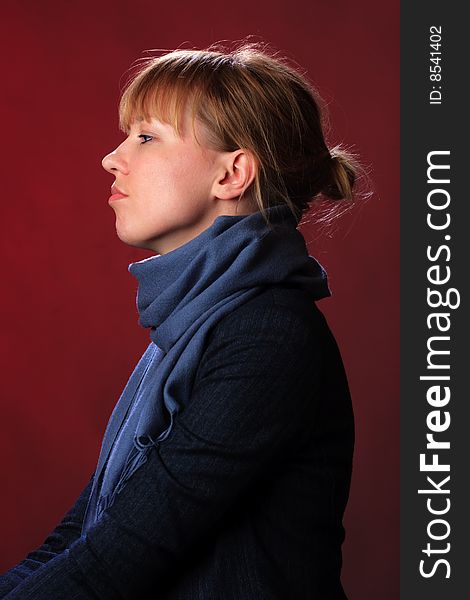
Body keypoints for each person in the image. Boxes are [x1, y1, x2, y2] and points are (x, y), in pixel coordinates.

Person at [0, 41, 362, 599]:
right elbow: (84, 532)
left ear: (232, 174)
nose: (112, 158)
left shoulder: (267, 335)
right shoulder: (192, 327)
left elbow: (128, 550)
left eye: (146, 137)